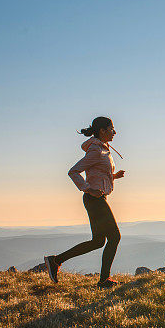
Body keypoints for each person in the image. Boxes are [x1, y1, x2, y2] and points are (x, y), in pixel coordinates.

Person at [44, 116, 125, 288]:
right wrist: (88, 188)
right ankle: (104, 280)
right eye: (112, 129)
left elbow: (98, 173)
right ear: (102, 131)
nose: (114, 132)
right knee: (115, 237)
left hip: (96, 199)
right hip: (95, 199)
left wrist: (114, 176)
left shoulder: (102, 149)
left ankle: (55, 260)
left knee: (98, 242)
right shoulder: (96, 150)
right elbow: (73, 171)